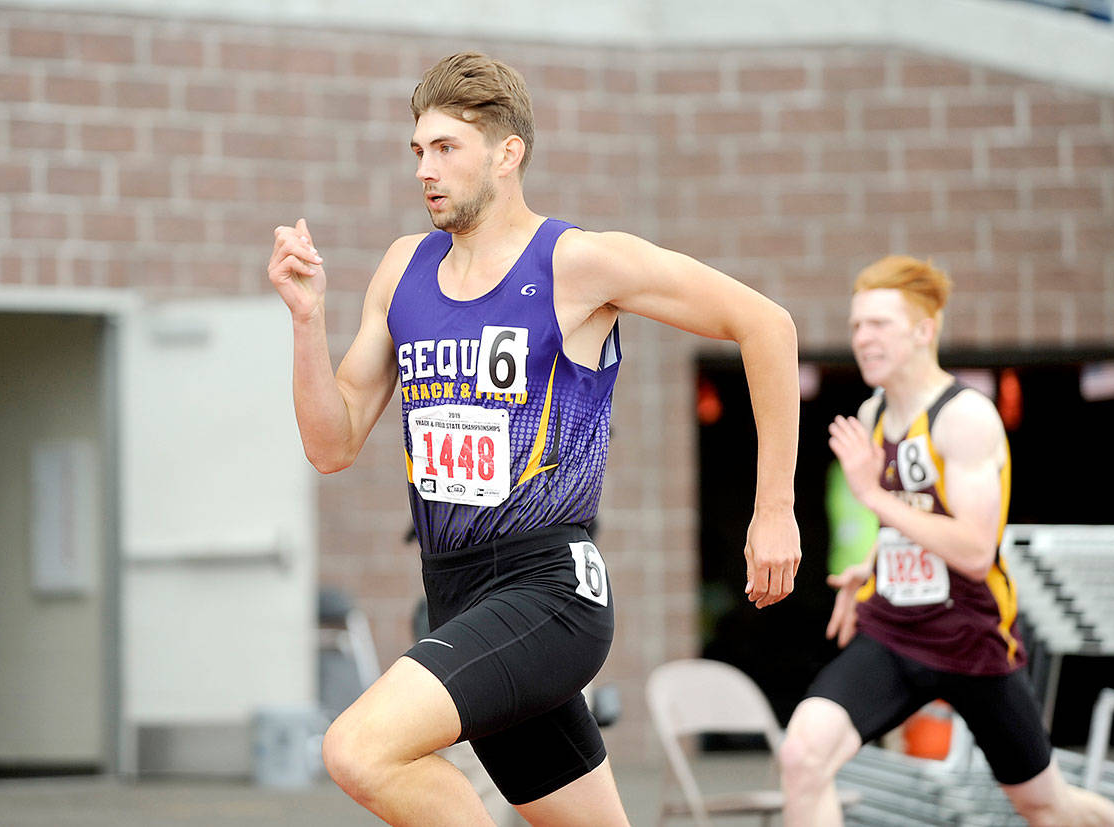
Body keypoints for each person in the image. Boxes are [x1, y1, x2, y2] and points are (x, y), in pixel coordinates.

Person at [268, 51, 802, 826]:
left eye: (447, 148)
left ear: (507, 153)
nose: (426, 169)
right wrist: (307, 319)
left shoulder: (575, 262)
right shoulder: (402, 270)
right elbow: (331, 443)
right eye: (418, 151)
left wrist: (775, 507)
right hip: (455, 596)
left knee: (358, 747)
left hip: (549, 591)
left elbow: (767, 325)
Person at [777, 256, 1114, 826]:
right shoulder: (874, 413)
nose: (862, 338)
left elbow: (972, 550)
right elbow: (908, 519)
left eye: (879, 325)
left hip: (972, 643)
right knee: (803, 756)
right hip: (893, 633)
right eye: (856, 325)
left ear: (924, 330)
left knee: (1045, 806)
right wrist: (870, 566)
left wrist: (873, 495)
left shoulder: (964, 417)